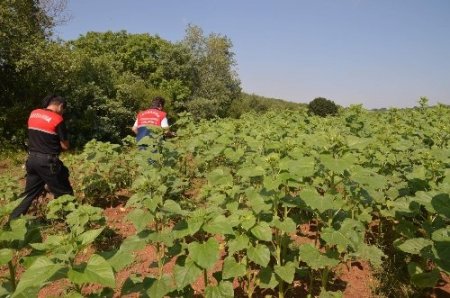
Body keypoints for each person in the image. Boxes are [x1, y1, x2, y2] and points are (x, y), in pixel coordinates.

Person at [10, 95, 74, 220]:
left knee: (28, 195)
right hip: (48, 163)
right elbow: (65, 146)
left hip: (32, 160)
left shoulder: (34, 113)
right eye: (63, 109)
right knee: (65, 193)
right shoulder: (58, 119)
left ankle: (11, 222)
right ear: (60, 106)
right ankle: (74, 226)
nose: (63, 112)